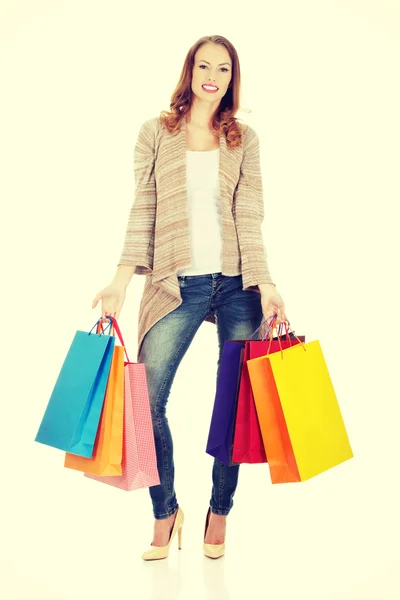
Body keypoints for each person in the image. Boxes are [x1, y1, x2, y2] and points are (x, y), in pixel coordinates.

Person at [92, 35, 288, 561]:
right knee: (148, 399)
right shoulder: (157, 132)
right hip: (174, 284)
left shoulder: (242, 139)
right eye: (204, 65)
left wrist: (265, 281)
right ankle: (166, 511)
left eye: (222, 68)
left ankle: (219, 509)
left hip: (234, 284)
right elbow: (143, 208)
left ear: (231, 78)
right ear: (190, 71)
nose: (212, 75)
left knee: (236, 404)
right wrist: (121, 278)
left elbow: (250, 217)